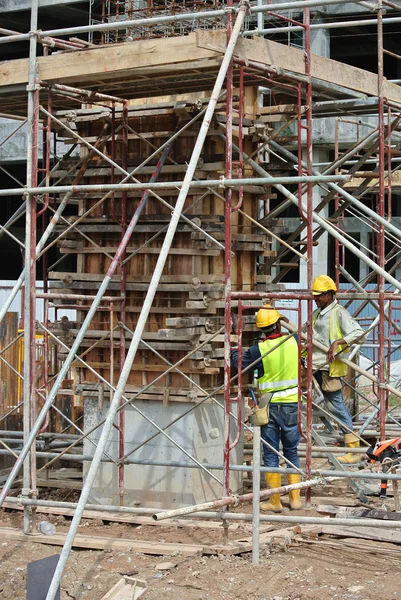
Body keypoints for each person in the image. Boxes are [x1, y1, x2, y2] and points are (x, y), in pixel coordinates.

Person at [231, 305, 302, 512]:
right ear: (279, 324)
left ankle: (275, 501)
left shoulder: (257, 350)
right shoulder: (294, 341)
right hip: (291, 405)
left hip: (268, 406)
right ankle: (296, 500)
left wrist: (236, 346)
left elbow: (239, 364)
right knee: (291, 451)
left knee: (271, 453)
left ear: (262, 329)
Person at [308, 275, 365, 464]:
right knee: (326, 405)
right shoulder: (317, 314)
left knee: (336, 407)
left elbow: (359, 333)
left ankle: (353, 449)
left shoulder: (339, 313)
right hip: (313, 365)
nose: (316, 299)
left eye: (319, 295)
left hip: (328, 368)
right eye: (315, 296)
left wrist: (338, 342)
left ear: (330, 294)